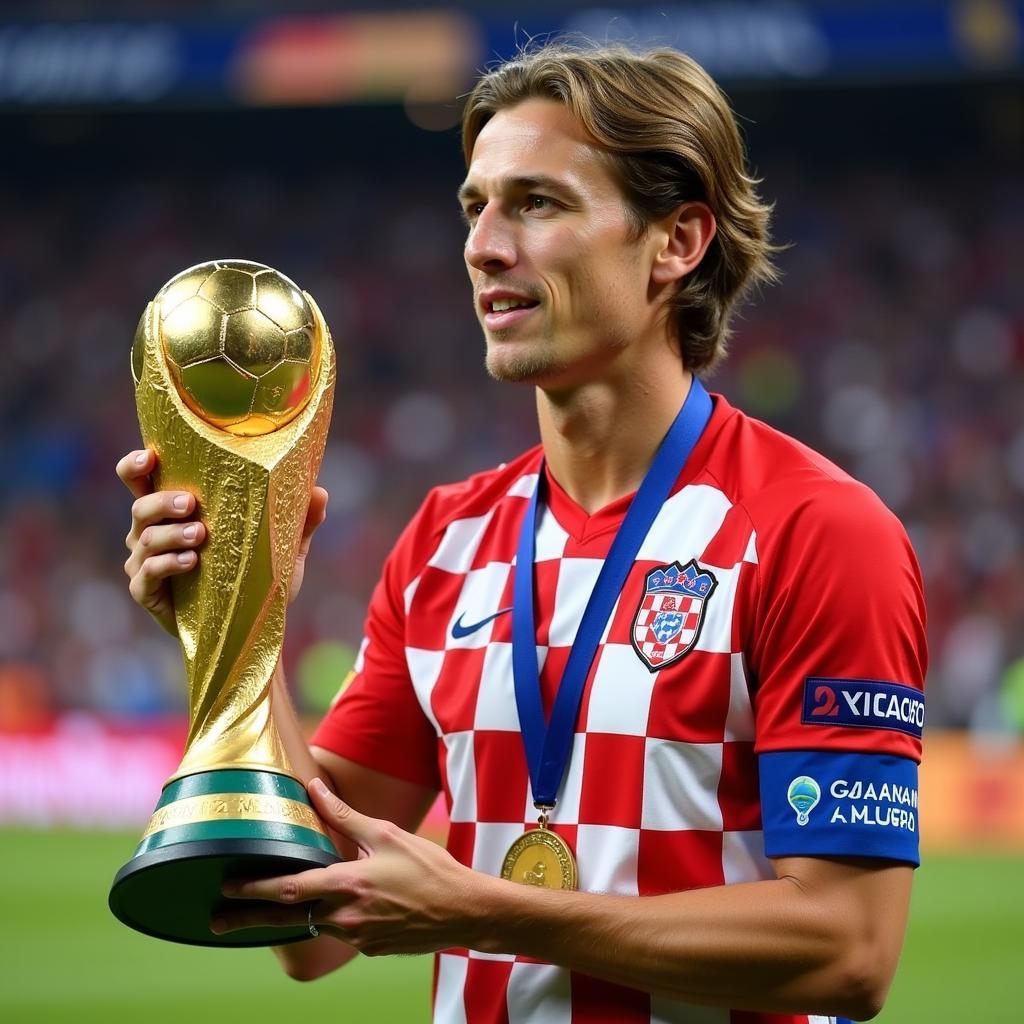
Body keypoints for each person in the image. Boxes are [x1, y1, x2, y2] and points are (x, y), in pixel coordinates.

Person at [118, 43, 927, 1024]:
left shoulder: (816, 531)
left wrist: (490, 910)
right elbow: (314, 921)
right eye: (475, 206)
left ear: (675, 242)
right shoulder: (446, 538)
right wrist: (242, 618)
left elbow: (848, 948)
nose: (484, 245)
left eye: (537, 203)